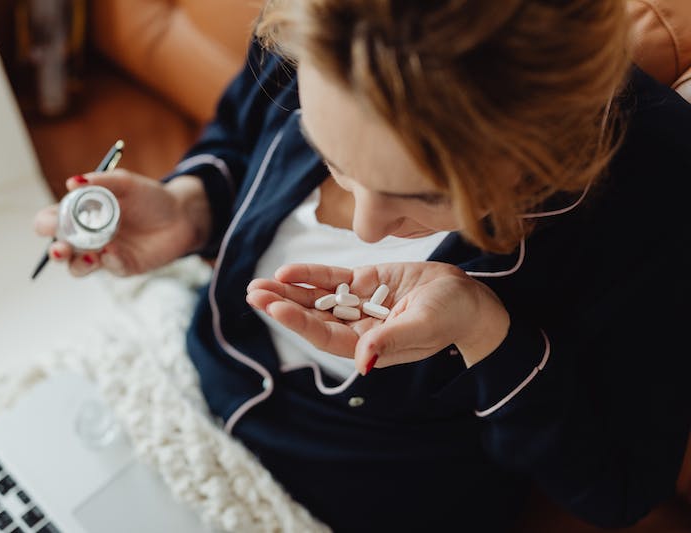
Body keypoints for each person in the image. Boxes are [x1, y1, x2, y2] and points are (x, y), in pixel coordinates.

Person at [34, 0, 691, 530]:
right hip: (175, 385)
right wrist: (190, 207)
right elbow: (237, 134)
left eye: (426, 196)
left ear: (545, 155)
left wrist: (484, 333)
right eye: (332, 157)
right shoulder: (322, 25)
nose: (367, 228)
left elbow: (617, 489)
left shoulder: (656, 191)